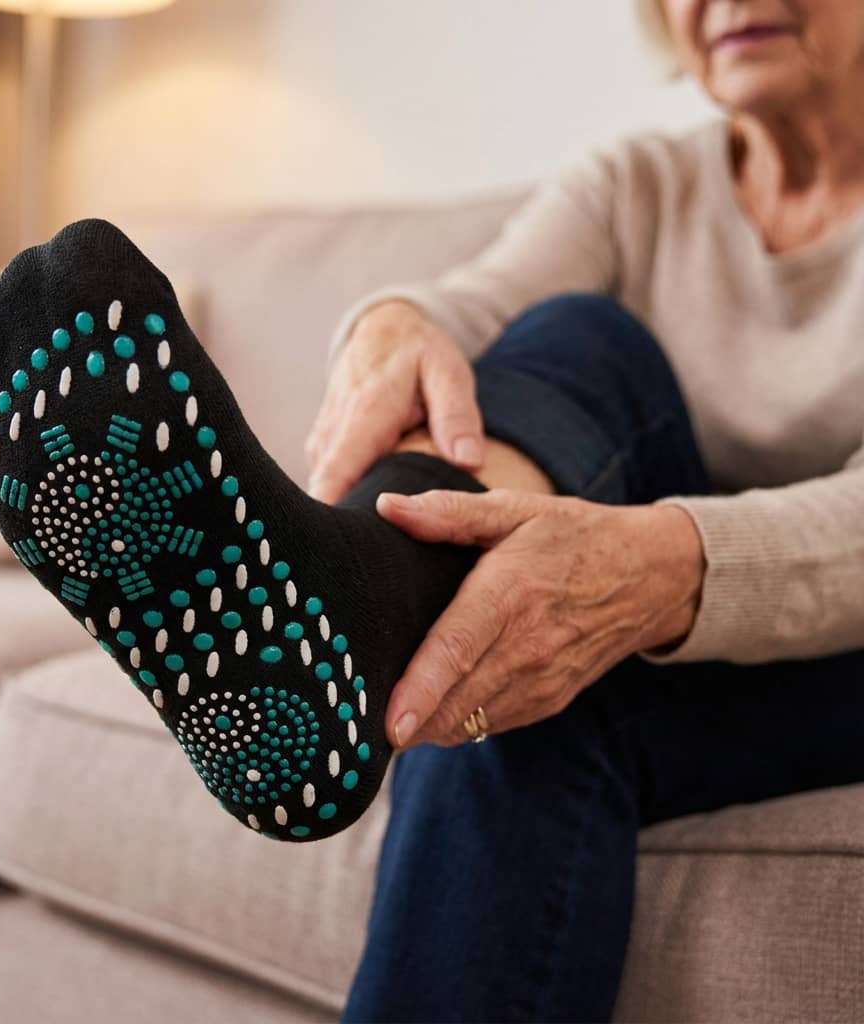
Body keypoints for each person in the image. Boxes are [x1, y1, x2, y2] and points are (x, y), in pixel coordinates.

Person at [302, 0, 864, 1020]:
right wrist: (390, 324)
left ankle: (354, 609)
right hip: (666, 650)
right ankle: (378, 588)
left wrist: (662, 567)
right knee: (509, 668)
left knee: (515, 627)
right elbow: (471, 305)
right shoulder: (636, 184)